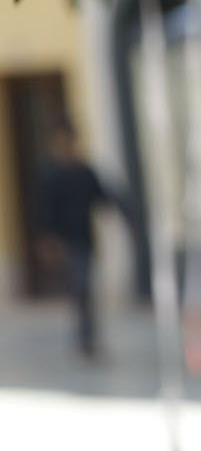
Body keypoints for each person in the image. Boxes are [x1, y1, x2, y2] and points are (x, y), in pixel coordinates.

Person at [34, 123, 121, 359]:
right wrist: (48, 239)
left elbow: (102, 196)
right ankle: (84, 339)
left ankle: (88, 338)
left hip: (84, 237)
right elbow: (45, 208)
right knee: (79, 289)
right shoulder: (52, 174)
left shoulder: (84, 170)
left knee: (85, 289)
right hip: (65, 241)